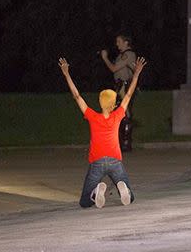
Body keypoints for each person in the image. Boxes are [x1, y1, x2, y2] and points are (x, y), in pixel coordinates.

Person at [58, 56, 147, 208]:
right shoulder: (117, 115)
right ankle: (121, 186)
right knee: (130, 198)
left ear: (100, 102)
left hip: (97, 161)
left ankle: (96, 190)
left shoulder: (92, 116)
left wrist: (66, 74)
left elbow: (77, 96)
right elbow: (129, 95)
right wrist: (137, 73)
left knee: (85, 202)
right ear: (113, 104)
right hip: (115, 161)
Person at [100, 34, 137, 152]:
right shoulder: (121, 56)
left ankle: (126, 143)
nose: (117, 44)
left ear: (126, 42)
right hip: (120, 87)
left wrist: (105, 58)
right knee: (118, 114)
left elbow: (114, 69)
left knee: (125, 114)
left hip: (125, 87)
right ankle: (120, 142)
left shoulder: (128, 55)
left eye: (119, 41)